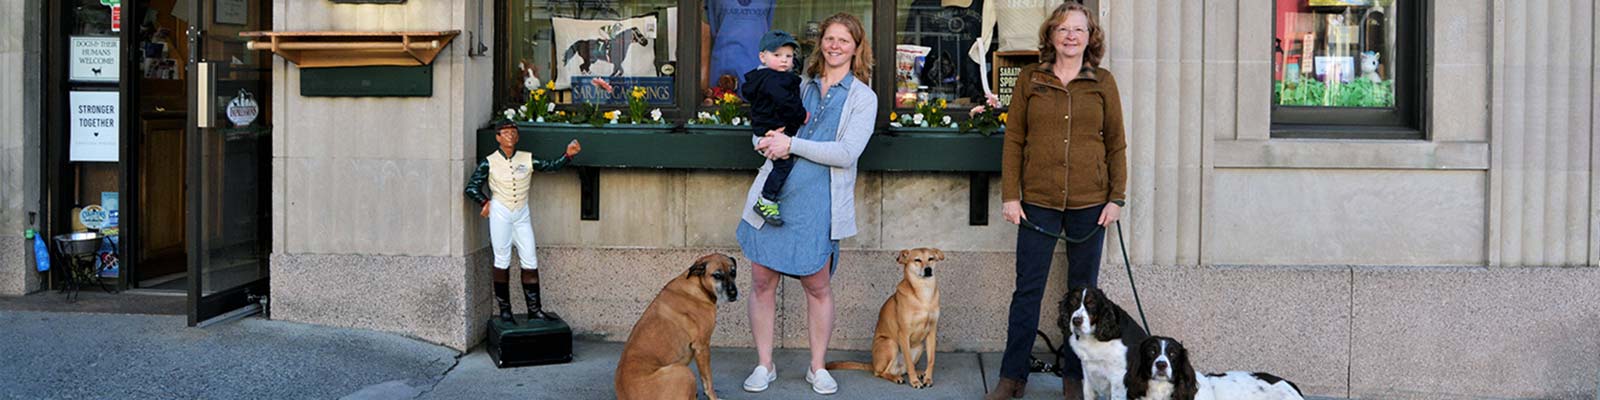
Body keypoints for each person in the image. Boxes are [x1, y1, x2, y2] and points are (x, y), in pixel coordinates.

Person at [986, 3, 1127, 400]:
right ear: (1050, 35)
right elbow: (1014, 140)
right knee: (1027, 291)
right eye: (1062, 29)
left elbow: (1116, 143)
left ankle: (1074, 380)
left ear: (1089, 37)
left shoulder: (1102, 81)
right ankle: (1012, 378)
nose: (1070, 36)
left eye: (1078, 30)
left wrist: (1116, 197)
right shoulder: (1031, 78)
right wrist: (1011, 196)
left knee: (1084, 293)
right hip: (1038, 202)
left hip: (1089, 202)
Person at [733, 12, 876, 396]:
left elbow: (846, 153)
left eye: (844, 40)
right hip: (774, 197)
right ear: (819, 44)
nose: (834, 46)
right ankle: (764, 364)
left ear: (856, 47)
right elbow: (766, 123)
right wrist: (762, 141)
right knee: (762, 281)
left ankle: (817, 367)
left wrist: (791, 144)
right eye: (829, 38)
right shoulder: (799, 85)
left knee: (817, 286)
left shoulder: (863, 98)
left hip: (819, 202)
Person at [463, 123, 582, 323]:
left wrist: (568, 155)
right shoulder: (489, 162)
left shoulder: (526, 158)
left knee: (530, 258)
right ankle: (505, 311)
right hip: (501, 212)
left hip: (522, 213)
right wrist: (484, 202)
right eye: (506, 133)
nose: (510, 136)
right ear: (498, 137)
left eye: (513, 133)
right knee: (502, 259)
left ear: (517, 137)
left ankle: (534, 310)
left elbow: (549, 166)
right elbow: (471, 187)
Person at [743, 30, 808, 227]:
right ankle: (767, 199)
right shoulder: (775, 80)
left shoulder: (761, 78)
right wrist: (802, 114)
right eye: (777, 55)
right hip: (773, 130)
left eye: (788, 56)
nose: (784, 61)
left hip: (765, 128)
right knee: (783, 166)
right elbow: (786, 102)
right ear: (763, 56)